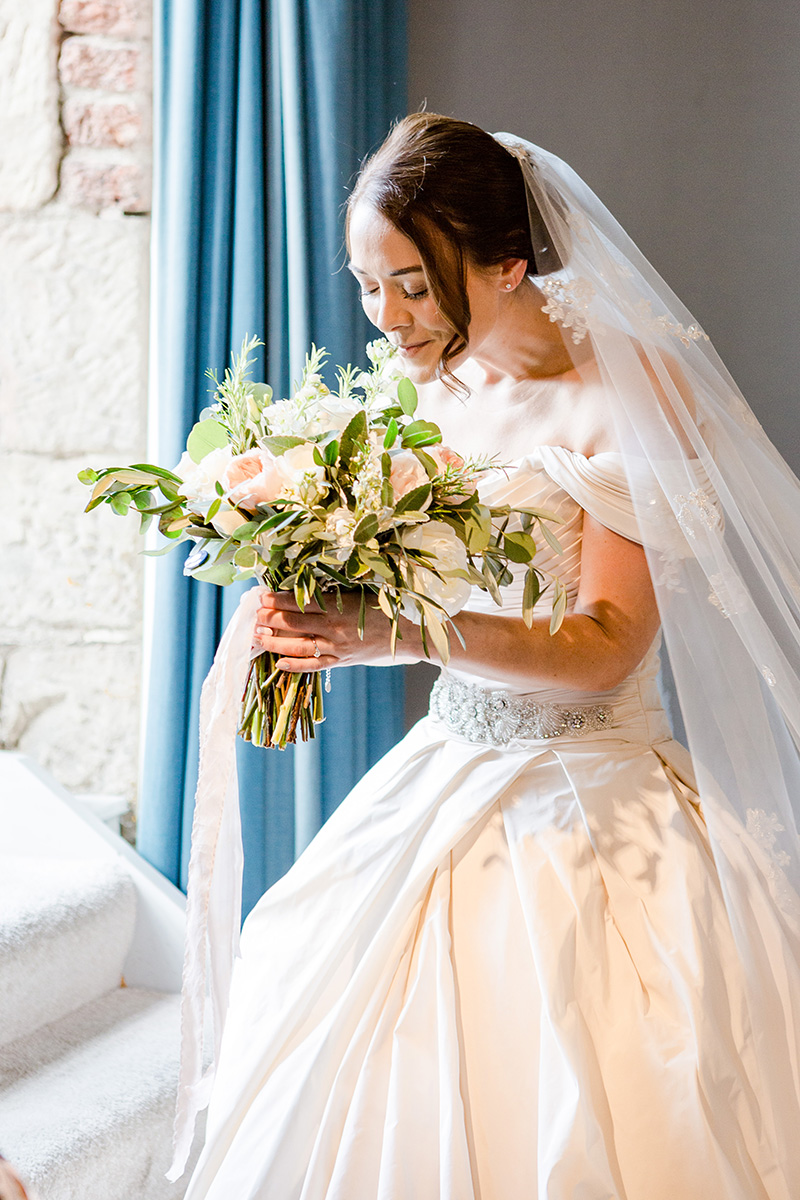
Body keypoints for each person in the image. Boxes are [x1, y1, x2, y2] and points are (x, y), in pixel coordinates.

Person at [177, 114, 800, 1198]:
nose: (387, 319)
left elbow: (605, 646)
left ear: (508, 263)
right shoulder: (431, 383)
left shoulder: (624, 400)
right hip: (448, 762)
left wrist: (405, 633)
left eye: (414, 286)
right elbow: (426, 580)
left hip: (592, 795)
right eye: (370, 285)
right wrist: (340, 616)